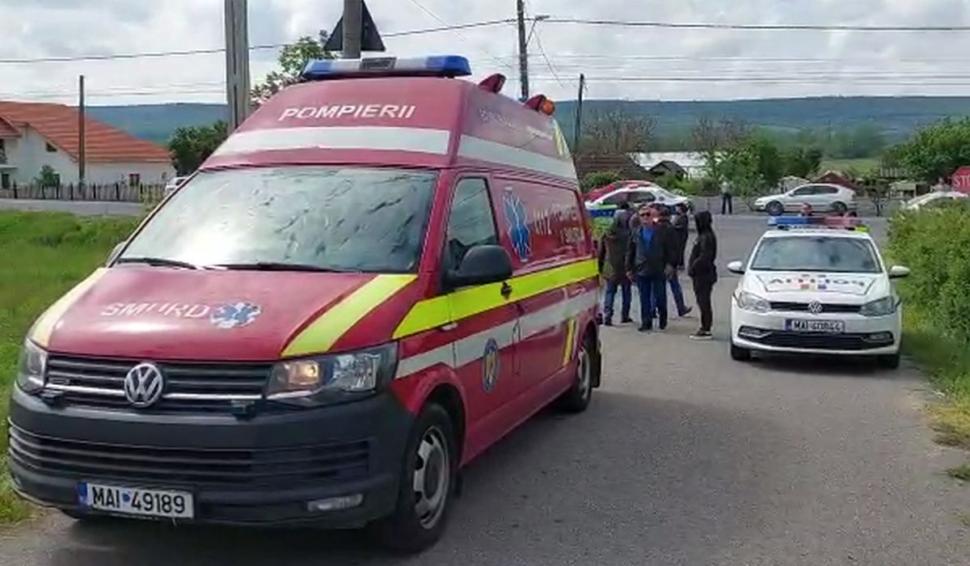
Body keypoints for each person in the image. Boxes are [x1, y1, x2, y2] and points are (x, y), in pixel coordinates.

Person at [627, 205, 678, 332]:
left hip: (658, 268)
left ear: (653, 216)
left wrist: (670, 265)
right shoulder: (636, 232)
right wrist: (628, 268)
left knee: (660, 296)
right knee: (644, 297)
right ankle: (646, 322)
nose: (645, 217)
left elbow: (671, 250)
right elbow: (630, 252)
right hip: (641, 269)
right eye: (642, 215)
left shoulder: (662, 231)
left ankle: (663, 317)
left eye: (648, 214)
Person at [598, 209, 634, 326]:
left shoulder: (607, 233)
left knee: (610, 292)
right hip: (624, 266)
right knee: (626, 292)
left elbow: (601, 252)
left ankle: (608, 315)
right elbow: (631, 251)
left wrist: (600, 267)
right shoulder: (628, 234)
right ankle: (625, 315)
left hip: (610, 267)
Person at [688, 211, 718, 340]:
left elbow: (705, 257)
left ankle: (706, 328)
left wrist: (693, 267)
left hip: (703, 274)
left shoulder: (707, 237)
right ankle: (705, 326)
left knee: (704, 301)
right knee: (702, 301)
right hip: (701, 274)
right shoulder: (704, 235)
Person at [667, 205, 693, 317]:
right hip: (670, 262)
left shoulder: (657, 229)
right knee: (674, 285)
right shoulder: (671, 230)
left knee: (657, 287)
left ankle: (654, 310)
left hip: (660, 262)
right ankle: (680, 307)